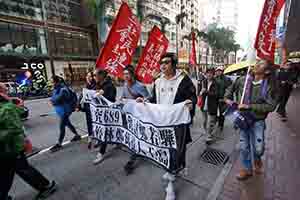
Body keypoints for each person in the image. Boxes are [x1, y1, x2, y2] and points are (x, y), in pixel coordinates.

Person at [137, 53, 197, 177]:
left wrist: (191, 102)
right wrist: (145, 101)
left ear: (174, 64)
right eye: (161, 63)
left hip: (177, 122)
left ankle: (175, 171)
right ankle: (171, 168)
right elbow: (154, 99)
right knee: (165, 146)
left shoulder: (183, 79)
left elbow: (192, 96)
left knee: (178, 148)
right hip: (162, 122)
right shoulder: (158, 81)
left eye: (167, 62)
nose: (163, 65)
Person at [0, 83, 57, 200]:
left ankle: (46, 186)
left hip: (12, 147)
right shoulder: (6, 106)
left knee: (22, 169)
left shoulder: (6, 108)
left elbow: (14, 128)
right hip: (5, 149)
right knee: (5, 174)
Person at [224, 60, 277, 181]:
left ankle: (257, 159)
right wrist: (228, 99)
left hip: (258, 121)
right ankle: (247, 169)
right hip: (243, 119)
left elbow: (271, 106)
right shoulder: (243, 79)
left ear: (267, 71)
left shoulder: (269, 86)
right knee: (244, 146)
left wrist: (250, 106)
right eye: (257, 62)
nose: (257, 64)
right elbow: (229, 90)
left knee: (258, 148)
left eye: (261, 64)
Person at [121, 65, 150, 175]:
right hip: (128, 116)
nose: (125, 76)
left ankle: (131, 160)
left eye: (127, 74)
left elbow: (149, 99)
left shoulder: (140, 86)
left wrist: (142, 99)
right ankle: (136, 153)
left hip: (139, 117)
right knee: (133, 136)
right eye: (124, 74)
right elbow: (123, 98)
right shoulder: (124, 85)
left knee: (138, 136)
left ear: (132, 74)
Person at [50, 76, 81, 152]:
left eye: (52, 82)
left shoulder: (63, 90)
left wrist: (52, 101)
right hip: (61, 110)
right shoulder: (56, 89)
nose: (51, 83)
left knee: (62, 125)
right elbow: (54, 99)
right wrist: (53, 100)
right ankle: (77, 135)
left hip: (65, 110)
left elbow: (56, 99)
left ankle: (59, 143)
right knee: (68, 123)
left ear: (57, 82)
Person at [92, 69, 117, 165]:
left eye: (95, 75)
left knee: (105, 131)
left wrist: (101, 94)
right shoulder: (98, 85)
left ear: (102, 75)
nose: (94, 77)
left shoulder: (109, 86)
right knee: (108, 130)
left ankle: (101, 153)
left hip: (108, 112)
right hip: (100, 112)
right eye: (93, 75)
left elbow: (111, 99)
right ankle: (115, 142)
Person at [199, 68, 219, 145]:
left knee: (211, 122)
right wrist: (200, 92)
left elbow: (216, 94)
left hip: (212, 104)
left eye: (211, 73)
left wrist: (206, 92)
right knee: (204, 121)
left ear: (213, 74)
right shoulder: (203, 82)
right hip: (203, 104)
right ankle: (207, 132)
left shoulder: (216, 83)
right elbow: (199, 91)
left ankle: (209, 135)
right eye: (208, 73)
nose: (209, 74)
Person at [215, 66, 232, 131]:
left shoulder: (227, 79)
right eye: (217, 71)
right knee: (215, 111)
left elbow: (229, 89)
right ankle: (217, 121)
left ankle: (221, 124)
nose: (218, 72)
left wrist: (225, 98)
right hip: (215, 99)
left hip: (223, 99)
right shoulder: (215, 78)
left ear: (222, 72)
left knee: (222, 113)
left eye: (220, 71)